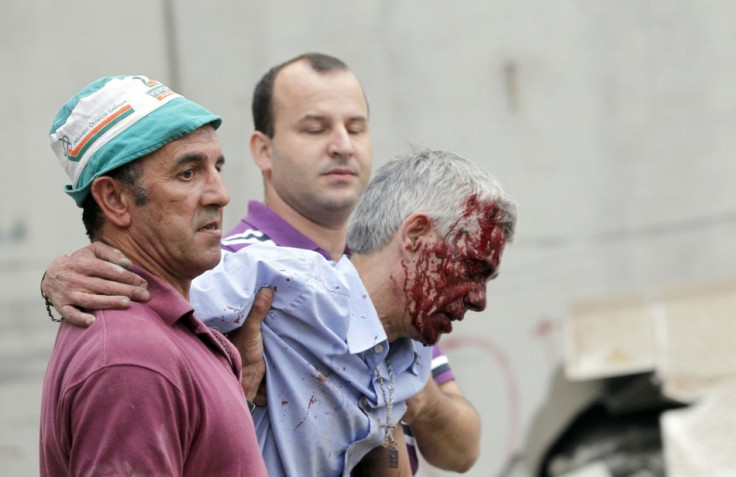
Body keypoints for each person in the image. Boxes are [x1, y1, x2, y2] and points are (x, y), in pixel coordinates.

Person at [40, 53, 481, 473]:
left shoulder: (388, 278)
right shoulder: (227, 276)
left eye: (356, 127)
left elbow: (463, 451)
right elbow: (134, 333)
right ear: (264, 151)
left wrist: (389, 378)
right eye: (315, 128)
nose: (342, 145)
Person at [189, 147, 517, 476]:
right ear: (416, 234)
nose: (479, 299)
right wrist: (135, 273)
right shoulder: (281, 281)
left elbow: (456, 455)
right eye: (472, 269)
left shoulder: (412, 357)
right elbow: (151, 308)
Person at [39, 75, 267, 476]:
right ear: (114, 199)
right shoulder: (131, 360)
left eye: (216, 167)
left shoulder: (157, 334)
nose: (221, 194)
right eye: (187, 173)